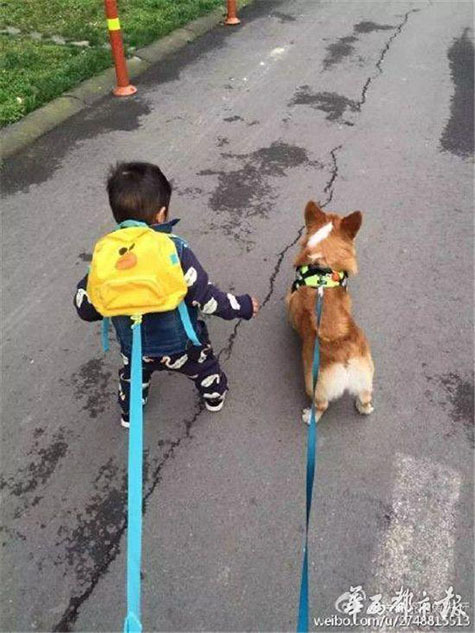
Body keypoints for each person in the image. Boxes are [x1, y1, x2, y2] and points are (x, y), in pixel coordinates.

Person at [74, 161, 259, 427]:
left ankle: (129, 413)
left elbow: (85, 308)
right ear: (161, 215)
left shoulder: (106, 255)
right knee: (203, 366)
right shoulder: (175, 250)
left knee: (133, 375)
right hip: (180, 346)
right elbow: (205, 297)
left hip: (135, 347)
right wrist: (242, 306)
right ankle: (214, 396)